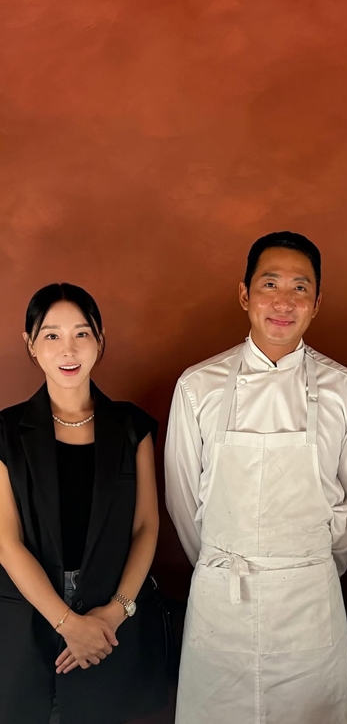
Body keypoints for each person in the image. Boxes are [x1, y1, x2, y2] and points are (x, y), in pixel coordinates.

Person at [165, 231, 347, 724]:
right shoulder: (197, 386)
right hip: (222, 599)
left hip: (309, 599)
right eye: (270, 284)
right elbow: (183, 501)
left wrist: (305, 566)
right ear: (245, 294)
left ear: (317, 303)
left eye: (300, 288)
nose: (284, 302)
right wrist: (222, 560)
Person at [0, 284, 168, 724]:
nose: (68, 349)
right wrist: (67, 623)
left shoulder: (131, 426)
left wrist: (114, 614)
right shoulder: (5, 431)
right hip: (29, 617)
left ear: (99, 339)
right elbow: (5, 541)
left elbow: (146, 527)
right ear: (30, 344)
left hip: (113, 618)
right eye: (52, 335)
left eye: (81, 333)